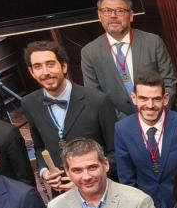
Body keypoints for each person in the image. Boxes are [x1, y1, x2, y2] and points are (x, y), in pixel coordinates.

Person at [20, 40, 119, 191]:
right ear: (31, 72)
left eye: (50, 64)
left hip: (100, 188)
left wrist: (84, 180)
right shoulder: (29, 103)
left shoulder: (98, 100)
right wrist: (44, 171)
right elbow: (40, 147)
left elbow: (116, 152)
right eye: (38, 67)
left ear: (64, 66)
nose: (45, 72)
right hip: (62, 192)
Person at [113, 70, 177, 208]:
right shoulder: (122, 129)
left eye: (156, 99)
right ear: (134, 98)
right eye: (143, 98)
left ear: (165, 99)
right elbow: (127, 179)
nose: (150, 105)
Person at [79, 0, 175, 117]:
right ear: (99, 15)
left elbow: (168, 81)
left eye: (119, 11)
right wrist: (124, 123)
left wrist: (156, 112)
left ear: (131, 15)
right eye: (107, 11)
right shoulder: (89, 52)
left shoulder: (153, 42)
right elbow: (94, 95)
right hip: (119, 125)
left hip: (159, 115)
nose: (113, 16)